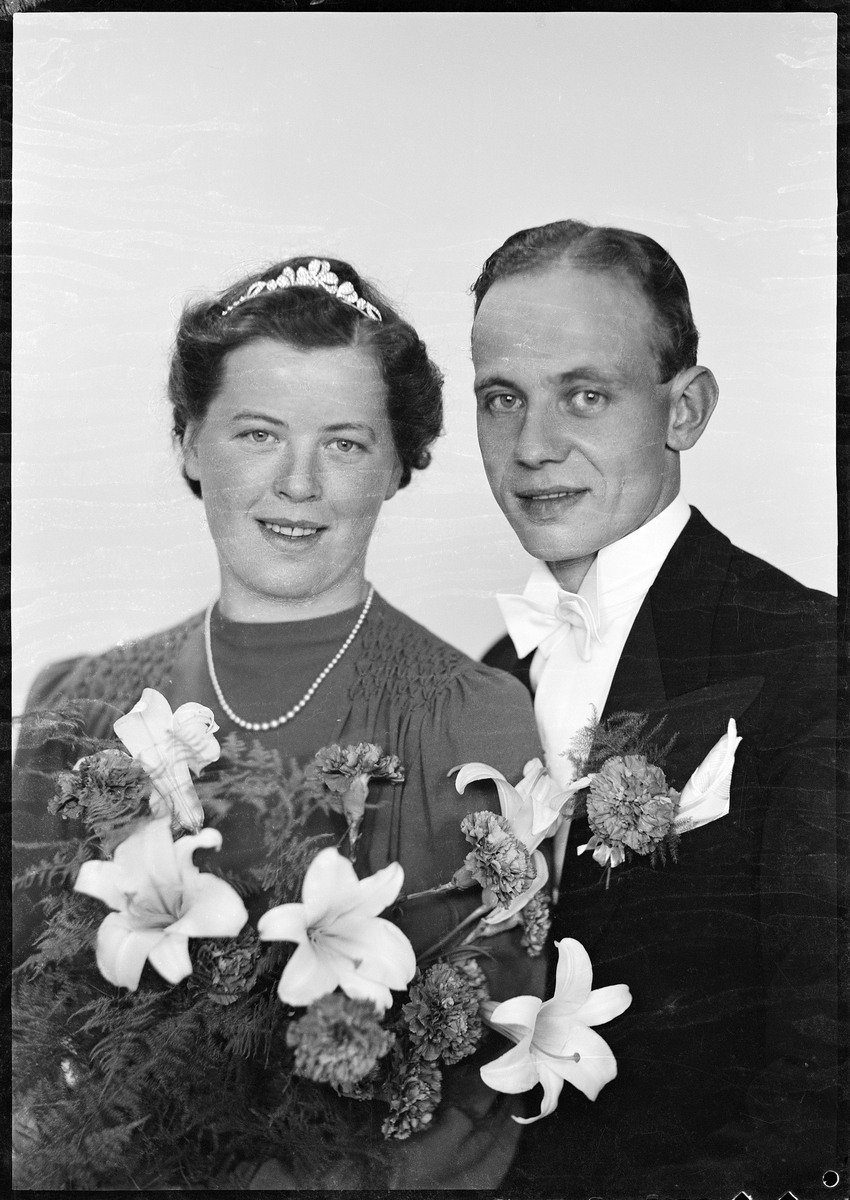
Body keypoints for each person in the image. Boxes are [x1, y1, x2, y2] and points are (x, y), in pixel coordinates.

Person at [13, 255, 546, 1190]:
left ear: (397, 465)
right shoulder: (79, 707)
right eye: (258, 433)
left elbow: (474, 1096)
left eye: (345, 444)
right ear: (189, 442)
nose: (298, 483)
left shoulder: (472, 722)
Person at [471, 221, 841, 1199]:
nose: (532, 446)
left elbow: (828, 1089)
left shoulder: (812, 657)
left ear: (686, 409)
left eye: (584, 395)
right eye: (501, 399)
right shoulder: (480, 684)